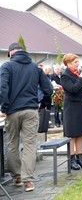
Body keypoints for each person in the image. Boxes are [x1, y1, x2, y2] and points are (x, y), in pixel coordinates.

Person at [0, 42, 53, 192]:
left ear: (11, 53)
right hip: (30, 110)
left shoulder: (6, 67)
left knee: (12, 144)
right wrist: (43, 104)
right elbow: (48, 89)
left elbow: (2, 88)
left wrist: (4, 107)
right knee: (30, 145)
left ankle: (17, 176)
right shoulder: (35, 67)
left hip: (12, 111)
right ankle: (28, 181)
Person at [61, 53, 82, 170]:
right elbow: (72, 89)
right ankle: (72, 159)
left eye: (78, 62)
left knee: (80, 134)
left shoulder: (78, 74)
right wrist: (80, 79)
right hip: (72, 109)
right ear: (68, 64)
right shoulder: (65, 76)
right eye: (75, 62)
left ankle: (80, 158)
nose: (78, 64)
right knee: (73, 135)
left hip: (81, 106)